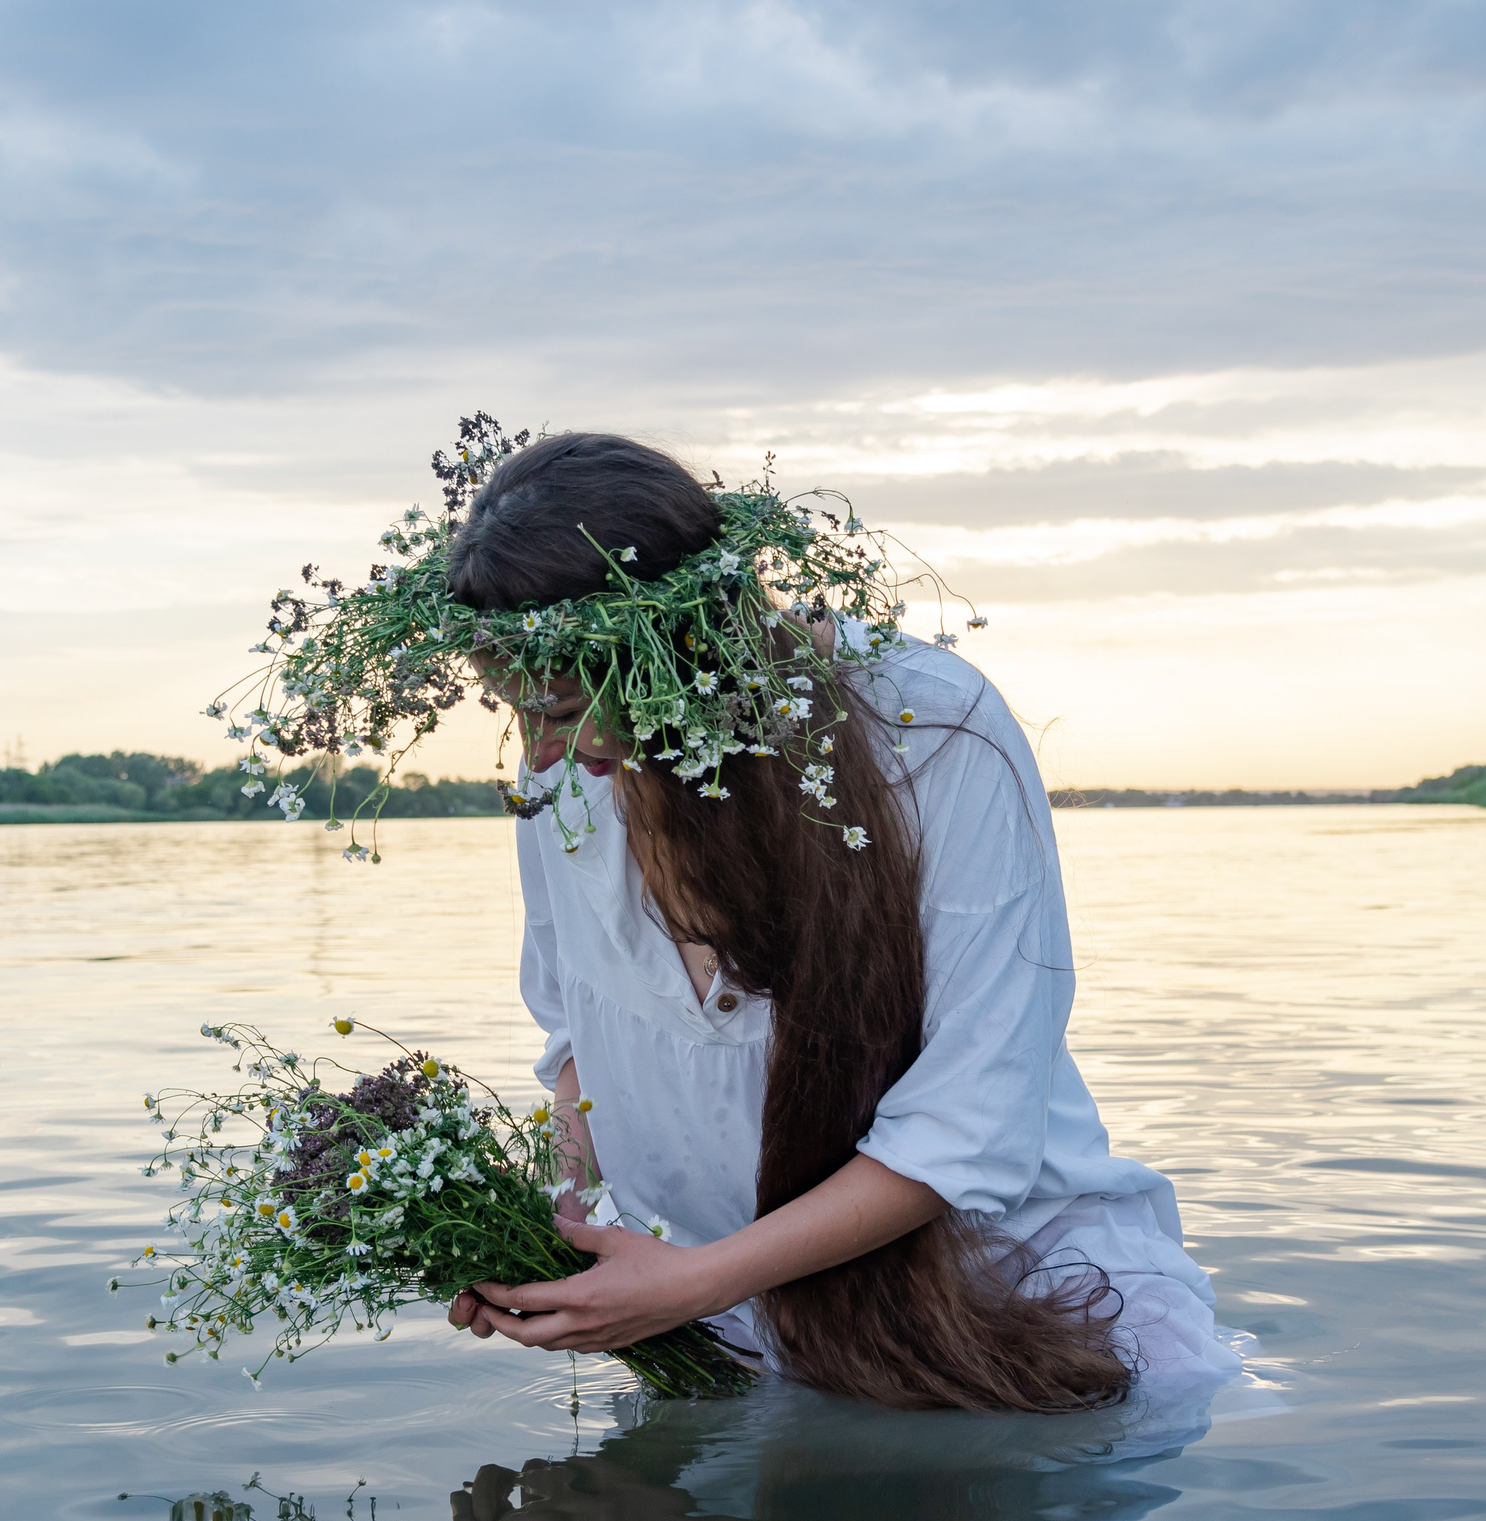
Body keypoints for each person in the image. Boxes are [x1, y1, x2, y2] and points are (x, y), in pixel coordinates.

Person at [433, 431, 1240, 1413]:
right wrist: (560, 1227)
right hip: (727, 1329)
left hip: (1021, 1307)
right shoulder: (564, 786)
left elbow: (968, 1117)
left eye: (562, 706)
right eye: (515, 708)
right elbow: (580, 1039)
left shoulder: (929, 729)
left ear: (677, 646)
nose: (540, 752)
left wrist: (695, 1281)